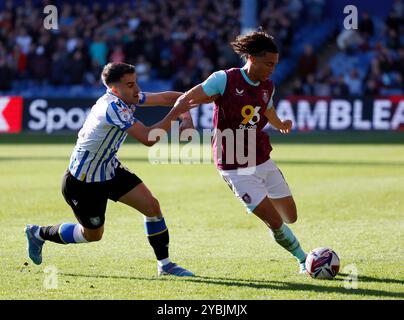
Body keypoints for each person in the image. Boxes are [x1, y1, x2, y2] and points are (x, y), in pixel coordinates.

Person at [25, 62, 194, 277]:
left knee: (152, 207)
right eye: (131, 85)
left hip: (110, 169)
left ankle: (166, 265)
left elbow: (165, 98)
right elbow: (148, 138)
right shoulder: (112, 107)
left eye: (136, 83)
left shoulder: (129, 96)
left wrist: (190, 108)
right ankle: (38, 233)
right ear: (115, 90)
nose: (137, 90)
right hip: (83, 181)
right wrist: (176, 114)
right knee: (92, 235)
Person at [167, 30, 308, 273]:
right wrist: (185, 120)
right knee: (275, 222)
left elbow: (267, 110)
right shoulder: (224, 79)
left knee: (290, 216)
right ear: (251, 58)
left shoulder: (268, 86)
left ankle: (265, 210)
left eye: (275, 64)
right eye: (268, 64)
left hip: (261, 157)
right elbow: (186, 99)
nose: (272, 69)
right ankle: (305, 260)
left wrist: (280, 124)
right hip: (233, 164)